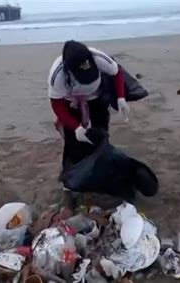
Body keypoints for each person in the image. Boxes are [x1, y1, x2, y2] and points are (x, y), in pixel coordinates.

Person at [48, 40, 130, 215]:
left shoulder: (98, 58)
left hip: (97, 100)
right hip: (72, 106)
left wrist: (121, 97)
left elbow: (117, 72)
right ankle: (69, 188)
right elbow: (56, 104)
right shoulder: (58, 76)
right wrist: (75, 126)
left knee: (100, 139)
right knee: (73, 146)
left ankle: (98, 178)